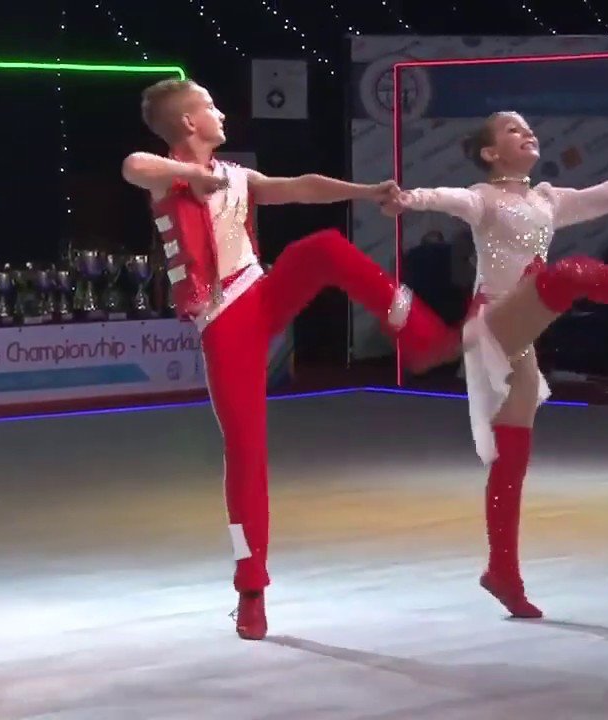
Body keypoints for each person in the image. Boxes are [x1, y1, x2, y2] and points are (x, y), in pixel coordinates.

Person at [121, 78, 460, 640]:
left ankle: (418, 332)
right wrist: (190, 175)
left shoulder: (237, 176)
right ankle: (250, 590)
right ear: (187, 124)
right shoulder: (165, 176)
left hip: (260, 294)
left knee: (322, 247)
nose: (221, 109)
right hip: (223, 323)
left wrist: (364, 190)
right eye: (210, 104)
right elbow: (135, 165)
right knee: (247, 456)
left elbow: (300, 188)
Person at [382, 111, 608, 618]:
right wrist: (409, 198)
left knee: (512, 459)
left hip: (521, 335)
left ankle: (503, 572)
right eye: (512, 130)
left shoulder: (548, 201)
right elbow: (448, 198)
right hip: (492, 323)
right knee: (570, 273)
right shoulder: (485, 198)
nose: (526, 132)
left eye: (528, 127)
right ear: (491, 153)